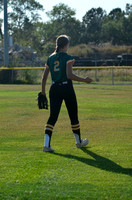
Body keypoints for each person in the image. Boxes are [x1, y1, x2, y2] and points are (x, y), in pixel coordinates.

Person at [41, 35, 93, 152]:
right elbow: (69, 75)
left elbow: (44, 78)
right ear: (66, 45)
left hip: (54, 88)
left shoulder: (50, 58)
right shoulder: (68, 57)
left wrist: (43, 93)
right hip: (66, 88)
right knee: (73, 115)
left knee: (52, 117)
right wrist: (85, 80)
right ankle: (78, 142)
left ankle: (46, 145)